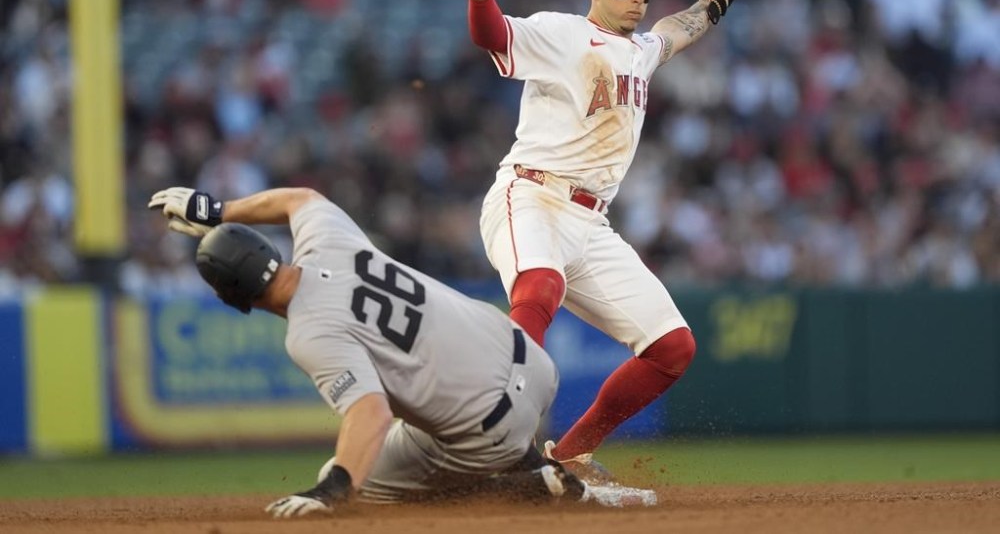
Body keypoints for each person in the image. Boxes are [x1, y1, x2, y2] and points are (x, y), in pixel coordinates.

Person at [146, 186, 656, 515]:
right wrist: (216, 209)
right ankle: (527, 464)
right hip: (537, 366)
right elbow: (299, 199)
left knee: (372, 484)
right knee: (428, 411)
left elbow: (368, 413)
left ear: (234, 300)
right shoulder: (327, 241)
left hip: (490, 431)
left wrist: (333, 489)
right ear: (267, 249)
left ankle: (523, 483)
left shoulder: (309, 332)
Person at [461, 0, 749, 475]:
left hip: (592, 224)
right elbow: (492, 35)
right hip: (532, 195)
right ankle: (494, 443)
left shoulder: (642, 50)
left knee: (672, 347)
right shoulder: (560, 33)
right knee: (540, 286)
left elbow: (683, 26)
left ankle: (568, 457)